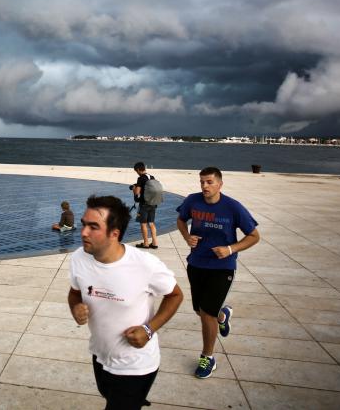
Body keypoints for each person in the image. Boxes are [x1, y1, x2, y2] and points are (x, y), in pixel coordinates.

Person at [69, 195, 183, 409]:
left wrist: (149, 330)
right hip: (100, 355)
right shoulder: (78, 258)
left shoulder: (145, 265)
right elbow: (74, 293)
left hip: (136, 365)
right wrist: (75, 307)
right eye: (84, 224)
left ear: (114, 233)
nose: (83, 232)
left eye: (93, 227)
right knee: (108, 395)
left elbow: (175, 295)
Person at [176, 167, 260, 379]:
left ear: (220, 184)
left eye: (209, 182)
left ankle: (208, 357)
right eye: (202, 182)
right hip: (196, 263)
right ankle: (223, 315)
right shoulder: (192, 201)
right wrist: (187, 237)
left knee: (207, 314)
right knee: (200, 311)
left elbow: (254, 236)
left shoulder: (233, 207)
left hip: (222, 267)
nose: (204, 186)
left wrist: (230, 249)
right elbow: (180, 220)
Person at [132, 162, 159, 249]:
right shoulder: (152, 177)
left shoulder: (140, 178)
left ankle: (146, 243)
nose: (137, 173)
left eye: (136, 171)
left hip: (144, 204)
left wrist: (134, 189)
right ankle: (154, 243)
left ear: (138, 170)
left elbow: (137, 193)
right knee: (151, 223)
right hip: (153, 203)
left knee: (143, 224)